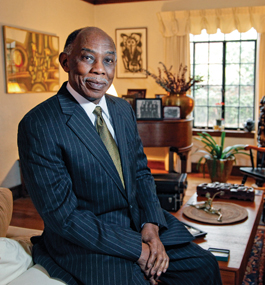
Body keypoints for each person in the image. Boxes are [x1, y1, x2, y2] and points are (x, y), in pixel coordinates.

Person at [18, 27, 222, 285]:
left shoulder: (122, 109)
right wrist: (138, 250)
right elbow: (64, 218)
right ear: (66, 61)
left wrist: (151, 225)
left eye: (109, 60)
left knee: (204, 266)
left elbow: (140, 172)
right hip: (85, 242)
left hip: (138, 224)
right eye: (88, 58)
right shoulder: (39, 124)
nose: (100, 70)